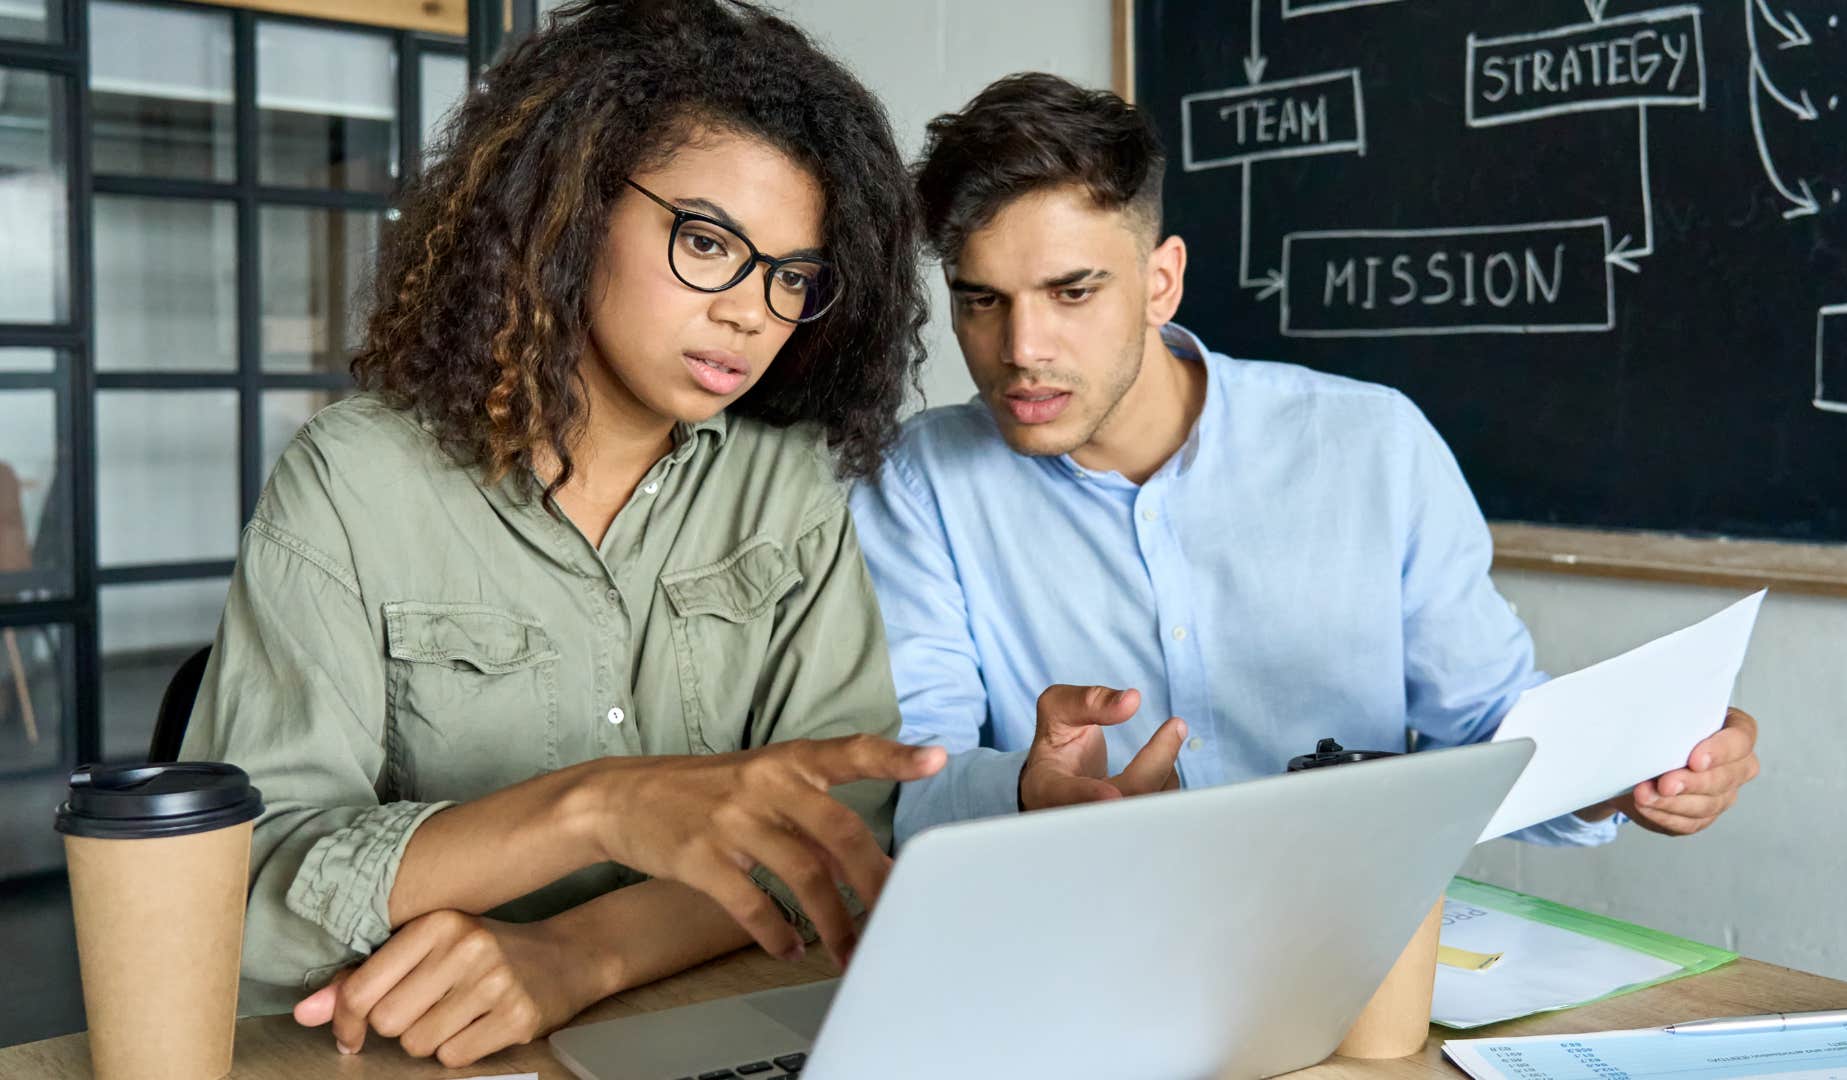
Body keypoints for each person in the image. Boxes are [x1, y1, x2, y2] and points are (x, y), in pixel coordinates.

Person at [179, 0, 942, 1066]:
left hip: (709, 1019)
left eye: (792, 276)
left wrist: (582, 955)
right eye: (709, 241)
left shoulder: (787, 485)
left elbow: (838, 837)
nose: (751, 313)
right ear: (569, 207)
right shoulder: (355, 481)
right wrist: (592, 810)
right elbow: (245, 890)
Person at [850, 72, 1759, 848]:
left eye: (1071, 291)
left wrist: (1648, 763)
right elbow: (910, 783)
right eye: (981, 302)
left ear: (1160, 281)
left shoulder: (1372, 445)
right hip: (1088, 948)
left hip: (1351, 953)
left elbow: (1492, 734)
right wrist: (1021, 788)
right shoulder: (919, 481)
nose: (1022, 347)